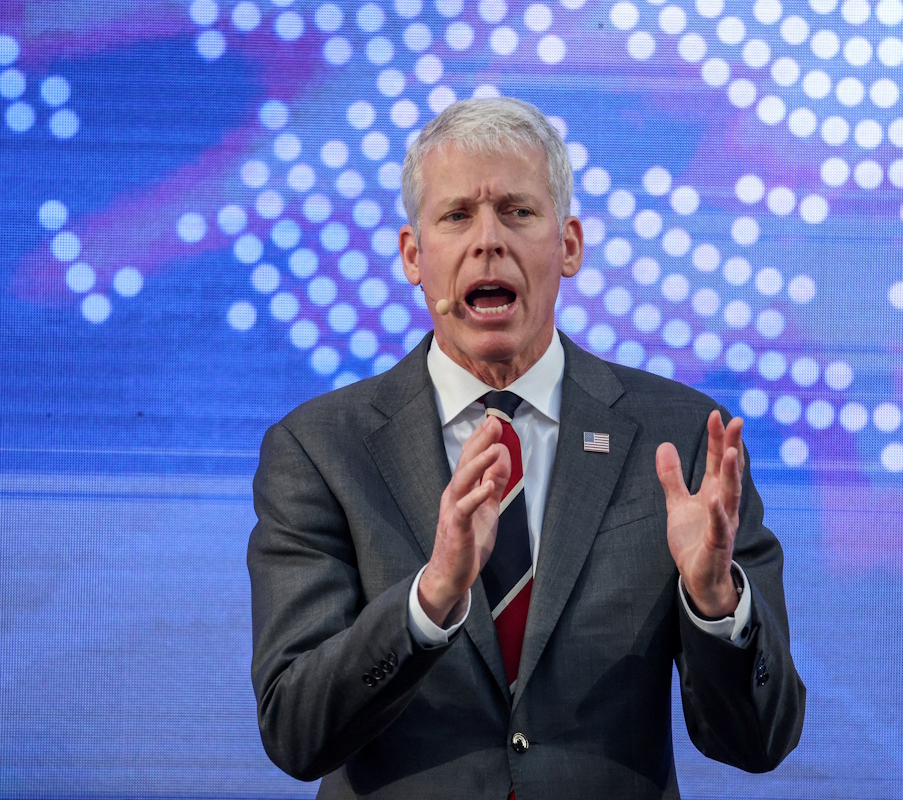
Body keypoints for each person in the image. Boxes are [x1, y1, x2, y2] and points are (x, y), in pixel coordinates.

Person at [248, 97, 805, 799]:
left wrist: (716, 604)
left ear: (568, 245)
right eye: (457, 216)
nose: (488, 240)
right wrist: (430, 600)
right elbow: (296, 732)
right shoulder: (321, 450)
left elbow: (761, 741)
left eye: (517, 212)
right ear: (413, 255)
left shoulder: (685, 442)